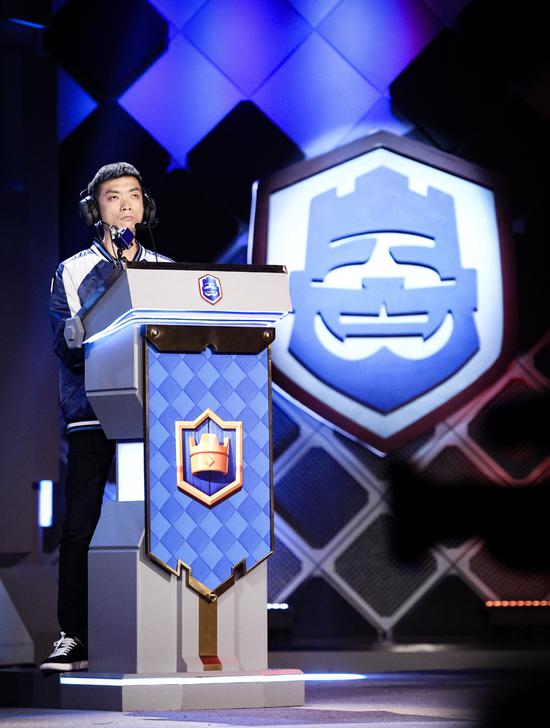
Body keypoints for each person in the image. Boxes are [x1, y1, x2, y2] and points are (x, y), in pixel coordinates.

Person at [40, 162, 172, 672]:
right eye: (113, 196)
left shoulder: (167, 268)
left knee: (161, 522)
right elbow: (67, 343)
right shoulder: (73, 271)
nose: (125, 204)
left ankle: (163, 628)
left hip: (156, 416)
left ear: (145, 205)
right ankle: (73, 635)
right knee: (81, 526)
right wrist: (117, 271)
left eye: (133, 195)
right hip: (93, 411)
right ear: (94, 210)